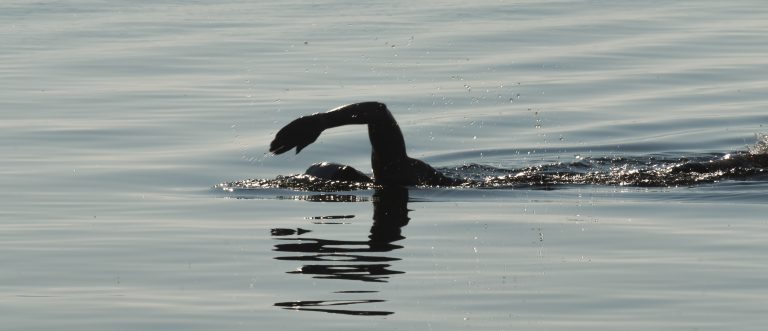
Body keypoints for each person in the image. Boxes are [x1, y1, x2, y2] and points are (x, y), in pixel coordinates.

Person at [269, 102, 460, 186]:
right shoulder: (391, 173)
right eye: (344, 171)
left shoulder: (392, 173)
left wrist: (320, 122)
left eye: (343, 171)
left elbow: (378, 111)